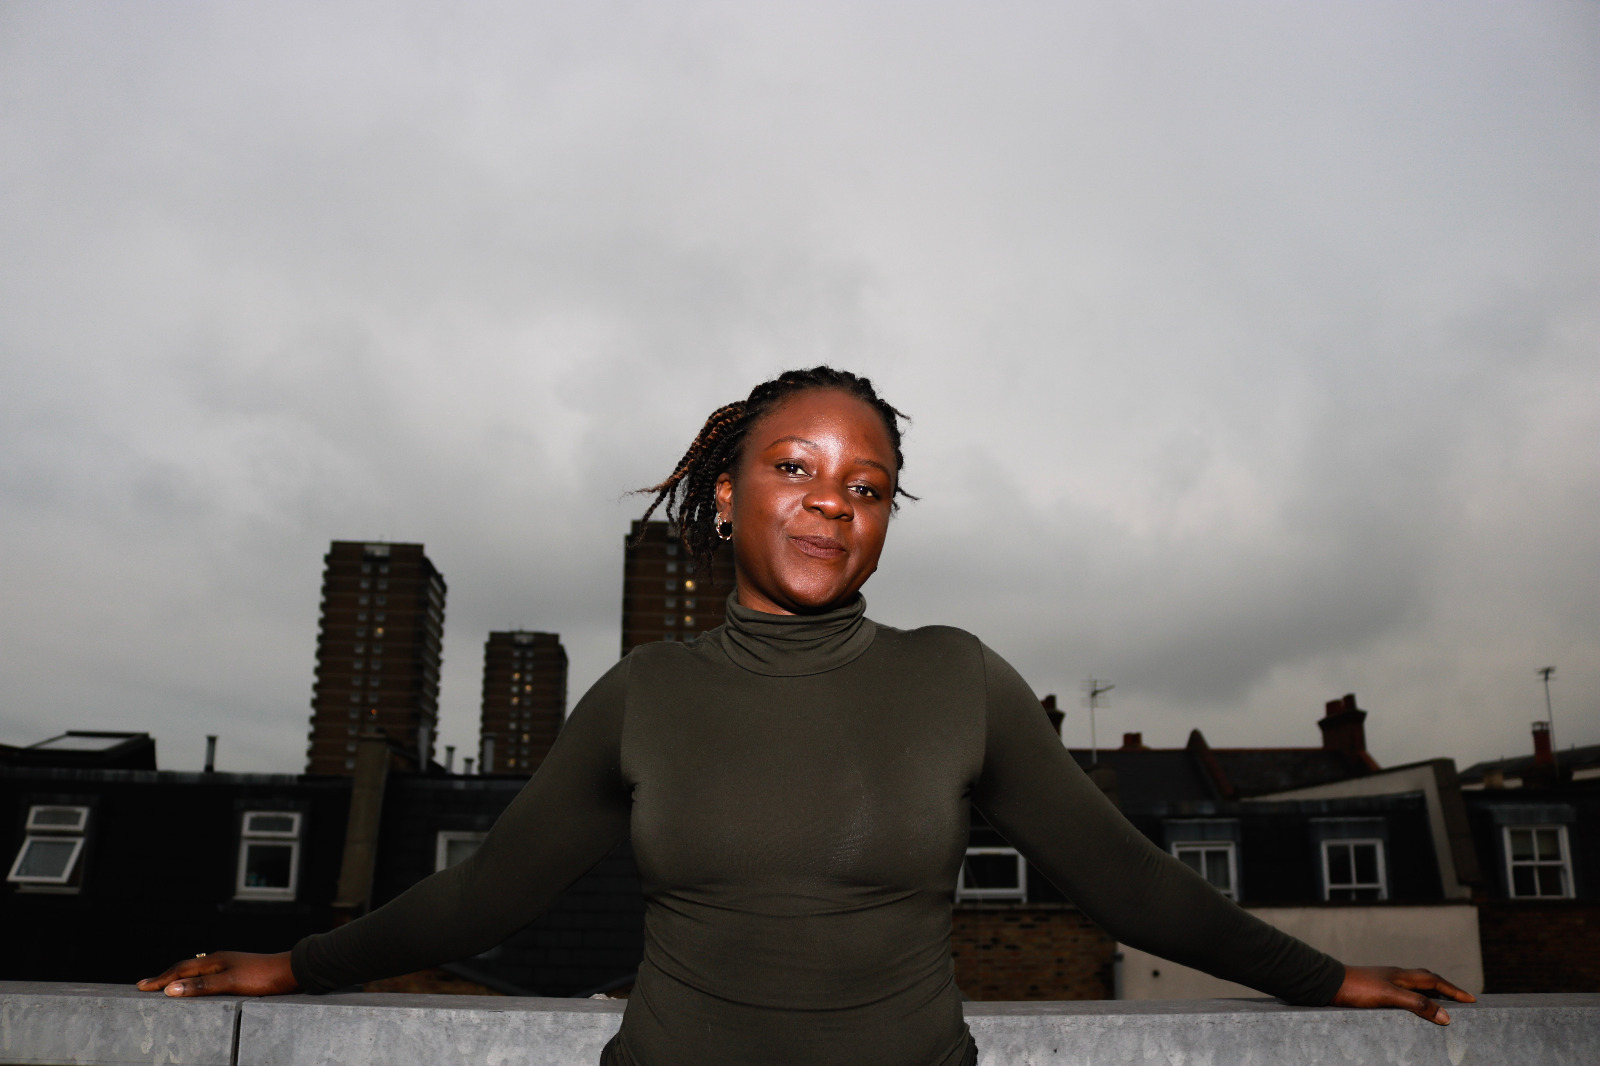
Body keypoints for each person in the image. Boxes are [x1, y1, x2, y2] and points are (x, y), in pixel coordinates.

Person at [139, 366, 1474, 1065]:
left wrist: (1327, 978)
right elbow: (488, 894)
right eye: (797, 467)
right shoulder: (647, 696)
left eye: (870, 484)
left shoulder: (956, 679)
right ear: (728, 495)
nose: (835, 499)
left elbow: (1125, 880)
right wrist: (295, 967)